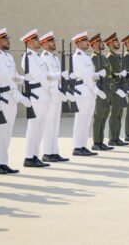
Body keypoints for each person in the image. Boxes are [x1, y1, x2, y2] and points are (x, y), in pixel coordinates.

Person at [0, 27, 28, 174]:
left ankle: (3, 162)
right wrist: (19, 97)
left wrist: (25, 79)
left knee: (7, 131)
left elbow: (14, 76)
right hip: (2, 97)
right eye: (5, 39)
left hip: (11, 99)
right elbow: (5, 79)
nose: (8, 41)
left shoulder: (8, 57)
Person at [19, 29, 50, 167]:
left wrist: (57, 76)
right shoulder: (27, 57)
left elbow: (46, 75)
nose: (39, 42)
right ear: (29, 42)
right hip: (37, 95)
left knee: (40, 128)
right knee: (34, 128)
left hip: (43, 95)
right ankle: (29, 157)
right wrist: (51, 87)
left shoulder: (37, 57)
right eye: (36, 40)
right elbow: (40, 76)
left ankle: (35, 156)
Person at [39, 31, 70, 162]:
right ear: (44, 44)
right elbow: (47, 78)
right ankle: (47, 153)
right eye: (51, 42)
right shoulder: (43, 58)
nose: (54, 43)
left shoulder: (55, 58)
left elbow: (58, 78)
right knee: (49, 125)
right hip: (50, 95)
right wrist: (56, 92)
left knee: (55, 125)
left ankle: (54, 152)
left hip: (57, 95)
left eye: (53, 41)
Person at [71, 32, 101, 156]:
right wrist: (94, 88)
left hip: (89, 91)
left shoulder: (86, 57)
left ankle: (83, 145)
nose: (88, 43)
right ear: (78, 43)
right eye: (85, 41)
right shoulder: (77, 57)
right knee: (81, 120)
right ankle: (77, 147)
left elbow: (90, 74)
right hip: (83, 90)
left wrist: (97, 75)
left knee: (87, 119)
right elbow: (84, 75)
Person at [105, 33, 129, 146]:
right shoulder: (110, 57)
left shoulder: (117, 56)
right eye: (116, 42)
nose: (118, 43)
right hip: (115, 89)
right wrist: (116, 88)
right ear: (110, 44)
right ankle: (112, 138)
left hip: (121, 87)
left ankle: (117, 137)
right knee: (115, 114)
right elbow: (110, 76)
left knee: (119, 114)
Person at [90, 33, 114, 152]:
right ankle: (96, 142)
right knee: (99, 116)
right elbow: (92, 76)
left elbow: (109, 73)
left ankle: (101, 141)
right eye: (100, 42)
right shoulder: (93, 58)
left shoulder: (103, 57)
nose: (103, 44)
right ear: (94, 44)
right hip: (100, 90)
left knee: (104, 116)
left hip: (107, 89)